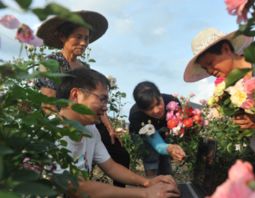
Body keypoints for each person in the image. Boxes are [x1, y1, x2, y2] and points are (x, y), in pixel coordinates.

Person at [36, 10, 130, 187]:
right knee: (73, 164)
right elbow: (47, 101)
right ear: (63, 37)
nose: (83, 43)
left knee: (120, 154)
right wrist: (63, 127)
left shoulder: (84, 67)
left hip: (88, 118)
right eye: (78, 37)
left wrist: (109, 127)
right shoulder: (51, 62)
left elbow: (96, 100)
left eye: (86, 38)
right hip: (63, 120)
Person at [56, 68, 180, 197]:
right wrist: (145, 193)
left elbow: (111, 167)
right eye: (102, 99)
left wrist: (148, 182)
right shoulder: (51, 133)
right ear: (76, 95)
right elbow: (73, 186)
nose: (105, 107)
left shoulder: (90, 130)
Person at [184, 28, 255, 178]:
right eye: (205, 68)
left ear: (226, 49)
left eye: (210, 63)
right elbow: (246, 127)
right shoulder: (229, 92)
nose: (209, 71)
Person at [129, 81, 186, 177]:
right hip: (143, 135)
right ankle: (152, 182)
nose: (156, 110)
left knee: (165, 159)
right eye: (149, 109)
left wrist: (173, 148)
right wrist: (169, 148)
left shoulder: (172, 102)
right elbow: (157, 143)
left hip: (163, 131)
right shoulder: (137, 116)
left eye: (158, 103)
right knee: (151, 156)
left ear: (160, 95)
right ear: (142, 109)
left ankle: (166, 179)